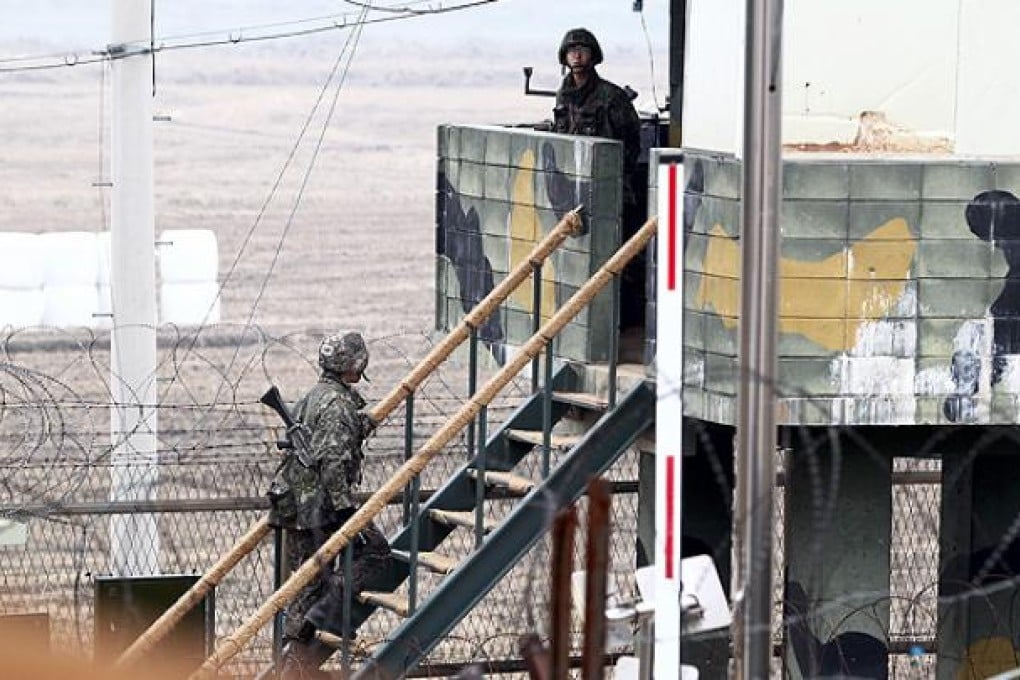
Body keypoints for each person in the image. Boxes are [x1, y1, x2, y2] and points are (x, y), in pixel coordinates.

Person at [267, 331, 391, 678]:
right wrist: (345, 509)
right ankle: (313, 634)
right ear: (354, 365)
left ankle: (295, 658)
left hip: (299, 504)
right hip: (318, 507)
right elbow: (333, 459)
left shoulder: (319, 396)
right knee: (375, 551)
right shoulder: (337, 406)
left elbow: (328, 438)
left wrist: (361, 424)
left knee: (306, 582)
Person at [552, 28, 647, 331]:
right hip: (577, 192)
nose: (577, 55)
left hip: (613, 191)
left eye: (582, 49)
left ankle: (622, 319)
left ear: (593, 55)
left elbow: (631, 142)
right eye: (571, 50)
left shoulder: (611, 97)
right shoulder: (564, 95)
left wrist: (617, 178)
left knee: (620, 259)